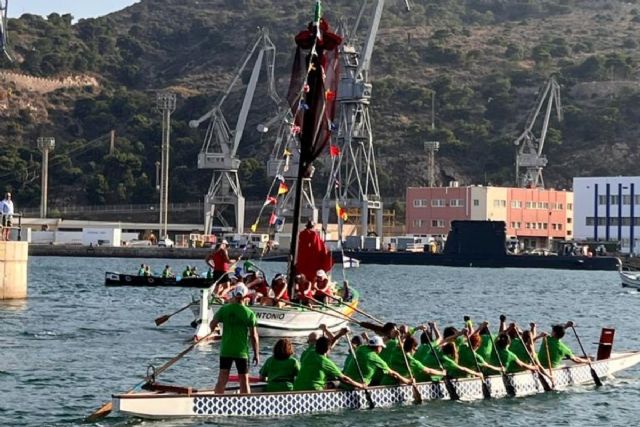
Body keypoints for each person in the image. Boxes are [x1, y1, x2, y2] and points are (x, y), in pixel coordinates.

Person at [209, 283, 259, 394]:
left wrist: (214, 328)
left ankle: (217, 402)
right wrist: (256, 354)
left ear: (234, 294)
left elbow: (212, 324)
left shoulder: (224, 309)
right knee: (243, 380)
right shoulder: (250, 313)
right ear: (246, 296)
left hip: (226, 350)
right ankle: (246, 406)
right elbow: (254, 336)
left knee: (222, 378)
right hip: (241, 352)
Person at [293, 336, 364, 391]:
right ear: (327, 349)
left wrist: (339, 335)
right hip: (313, 391)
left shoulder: (309, 354)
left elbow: (326, 346)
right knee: (338, 383)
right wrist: (360, 385)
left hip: (296, 388)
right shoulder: (325, 361)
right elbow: (344, 379)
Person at [342, 335, 413, 388]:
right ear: (378, 347)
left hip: (345, 383)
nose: (382, 348)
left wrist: (391, 335)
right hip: (356, 387)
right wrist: (407, 381)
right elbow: (393, 374)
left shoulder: (361, 348)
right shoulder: (375, 358)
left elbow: (372, 343)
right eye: (381, 347)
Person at [381, 336, 446, 385]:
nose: (415, 350)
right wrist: (442, 373)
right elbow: (428, 371)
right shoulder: (411, 361)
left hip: (384, 381)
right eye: (415, 349)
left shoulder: (396, 351)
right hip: (394, 385)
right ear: (412, 348)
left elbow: (400, 344)